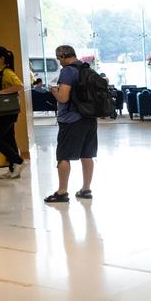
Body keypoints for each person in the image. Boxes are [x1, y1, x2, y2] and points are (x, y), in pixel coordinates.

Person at [45, 45, 98, 202]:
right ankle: (86, 189)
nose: (59, 61)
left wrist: (54, 91)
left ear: (62, 56)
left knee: (63, 156)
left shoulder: (68, 71)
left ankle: (62, 192)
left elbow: (63, 98)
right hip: (89, 117)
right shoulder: (87, 69)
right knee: (87, 154)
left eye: (58, 58)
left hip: (71, 120)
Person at [0, 46, 28, 179]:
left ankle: (19, 161)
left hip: (6, 113)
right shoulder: (0, 72)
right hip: (5, 112)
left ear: (2, 59)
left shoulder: (7, 72)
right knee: (9, 139)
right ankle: (14, 169)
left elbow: (19, 86)